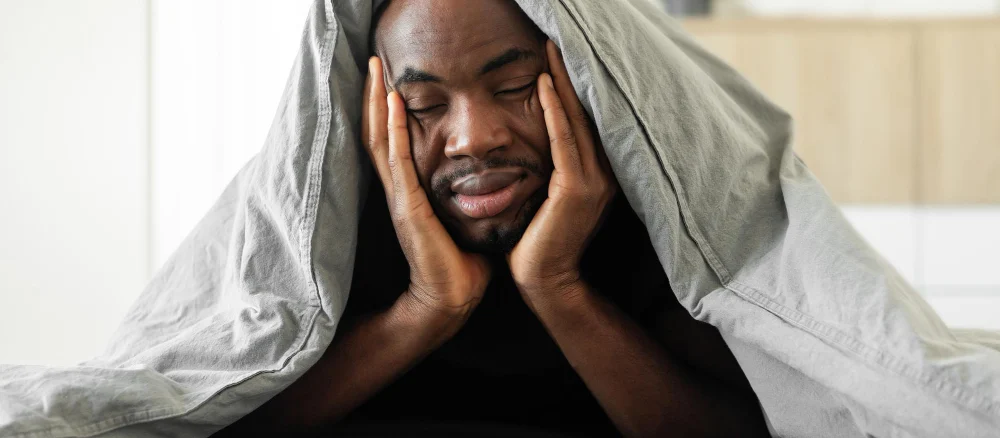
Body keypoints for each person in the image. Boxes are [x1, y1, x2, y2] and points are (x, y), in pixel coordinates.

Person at [219, 1, 768, 436]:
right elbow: (211, 424)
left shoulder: (665, 221)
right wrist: (426, 307)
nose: (473, 138)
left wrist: (557, 287)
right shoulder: (325, 233)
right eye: (423, 106)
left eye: (513, 89)